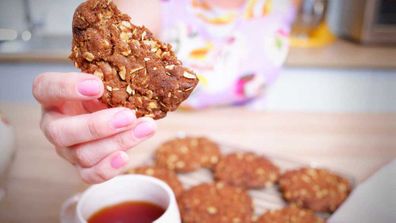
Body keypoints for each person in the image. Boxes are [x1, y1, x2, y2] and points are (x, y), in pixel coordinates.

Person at [33, 0, 294, 184]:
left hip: (261, 144)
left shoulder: (286, 6)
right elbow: (117, 36)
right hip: (154, 146)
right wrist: (87, 109)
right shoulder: (158, 5)